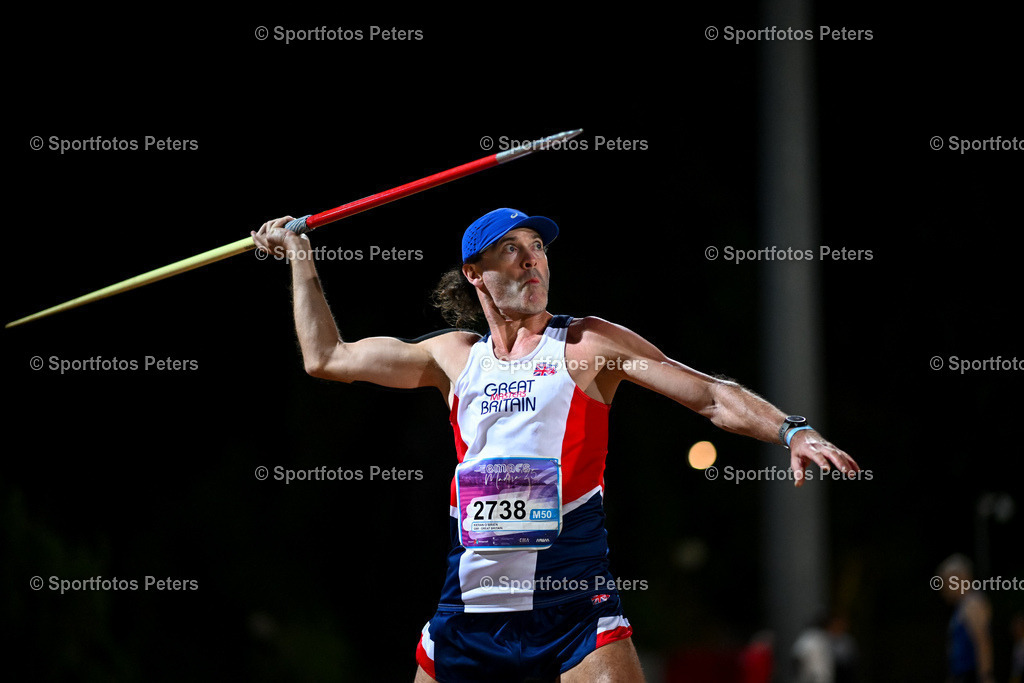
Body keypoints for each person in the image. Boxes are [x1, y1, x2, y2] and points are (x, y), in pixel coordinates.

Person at [251, 207, 860, 682]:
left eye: (537, 247)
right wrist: (301, 257)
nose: (531, 261)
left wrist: (792, 429)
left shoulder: (586, 345)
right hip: (472, 596)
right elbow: (326, 358)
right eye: (510, 251)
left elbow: (709, 395)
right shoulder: (453, 358)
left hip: (572, 592)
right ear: (474, 273)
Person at [937, 554, 996, 683]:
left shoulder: (973, 603)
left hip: (971, 676)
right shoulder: (963, 606)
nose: (943, 588)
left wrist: (986, 676)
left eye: (945, 582)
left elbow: (982, 641)